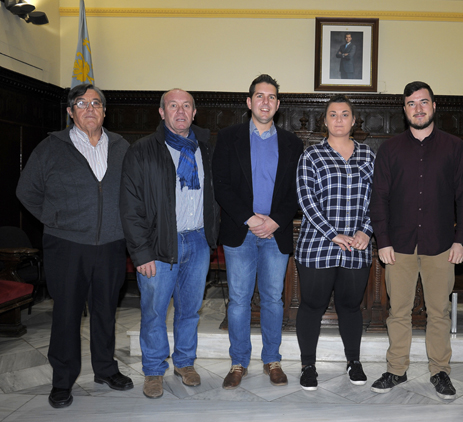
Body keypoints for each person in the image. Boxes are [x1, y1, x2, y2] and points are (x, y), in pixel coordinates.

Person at [16, 84, 133, 408]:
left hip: (111, 244)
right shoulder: (51, 147)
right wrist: (55, 218)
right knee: (66, 314)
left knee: (105, 311)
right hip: (66, 245)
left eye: (96, 103)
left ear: (104, 111)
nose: (90, 108)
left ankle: (105, 369)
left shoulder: (122, 146)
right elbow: (26, 191)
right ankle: (62, 380)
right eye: (82, 103)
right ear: (70, 111)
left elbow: (133, 192)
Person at [369, 81, 463, 399]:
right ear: (404, 110)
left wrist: (461, 239)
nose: (418, 108)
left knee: (439, 311)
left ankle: (440, 371)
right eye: (411, 103)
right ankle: (396, 370)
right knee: (398, 311)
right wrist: (383, 240)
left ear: (434, 105)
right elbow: (378, 198)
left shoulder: (454, 147)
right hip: (398, 246)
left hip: (441, 244)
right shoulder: (389, 150)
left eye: (423, 102)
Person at [119, 89, 220, 399]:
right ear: (162, 112)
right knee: (154, 310)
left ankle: (185, 362)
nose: (180, 111)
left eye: (186, 105)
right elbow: (130, 206)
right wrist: (141, 253)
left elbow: (217, 195)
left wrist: (213, 234)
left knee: (190, 310)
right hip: (158, 244)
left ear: (194, 112)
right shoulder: (142, 150)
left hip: (198, 241)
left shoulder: (206, 148)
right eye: (173, 105)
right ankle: (153, 369)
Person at [212, 74, 303, 389]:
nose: (266, 102)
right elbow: (221, 185)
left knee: (273, 300)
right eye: (260, 96)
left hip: (276, 234)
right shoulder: (229, 137)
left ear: (278, 105)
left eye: (272, 97)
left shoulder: (292, 143)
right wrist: (250, 219)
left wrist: (275, 220)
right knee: (238, 300)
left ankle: (272, 360)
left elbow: (297, 190)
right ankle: (238, 362)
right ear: (249, 102)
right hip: (241, 232)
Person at [295, 95, 375, 391]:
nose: (339, 119)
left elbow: (378, 198)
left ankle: (354, 361)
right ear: (325, 121)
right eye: (332, 114)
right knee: (312, 306)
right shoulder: (311, 156)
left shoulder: (368, 156)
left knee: (350, 307)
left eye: (344, 114)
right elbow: (306, 199)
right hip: (318, 245)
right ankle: (308, 365)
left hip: (356, 246)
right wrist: (332, 233)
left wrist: (367, 230)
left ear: (353, 121)